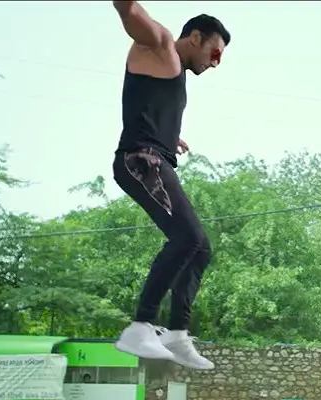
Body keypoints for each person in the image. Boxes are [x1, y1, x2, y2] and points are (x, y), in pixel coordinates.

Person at [109, 1, 230, 371]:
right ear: (195, 37)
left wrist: (170, 137)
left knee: (200, 248)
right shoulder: (160, 45)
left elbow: (148, 105)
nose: (215, 63)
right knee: (186, 238)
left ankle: (177, 333)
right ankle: (140, 326)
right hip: (140, 161)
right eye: (215, 53)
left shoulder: (170, 70)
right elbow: (129, 11)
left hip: (155, 158)